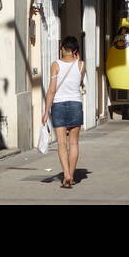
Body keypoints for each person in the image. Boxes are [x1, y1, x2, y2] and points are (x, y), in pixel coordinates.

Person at [41, 36, 86, 189]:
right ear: (75, 51)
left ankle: (66, 174)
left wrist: (46, 111)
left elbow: (52, 89)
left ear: (62, 48)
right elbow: (80, 82)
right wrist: (77, 59)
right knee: (74, 142)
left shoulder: (55, 65)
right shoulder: (81, 65)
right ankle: (71, 176)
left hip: (58, 105)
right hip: (75, 104)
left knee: (61, 143)